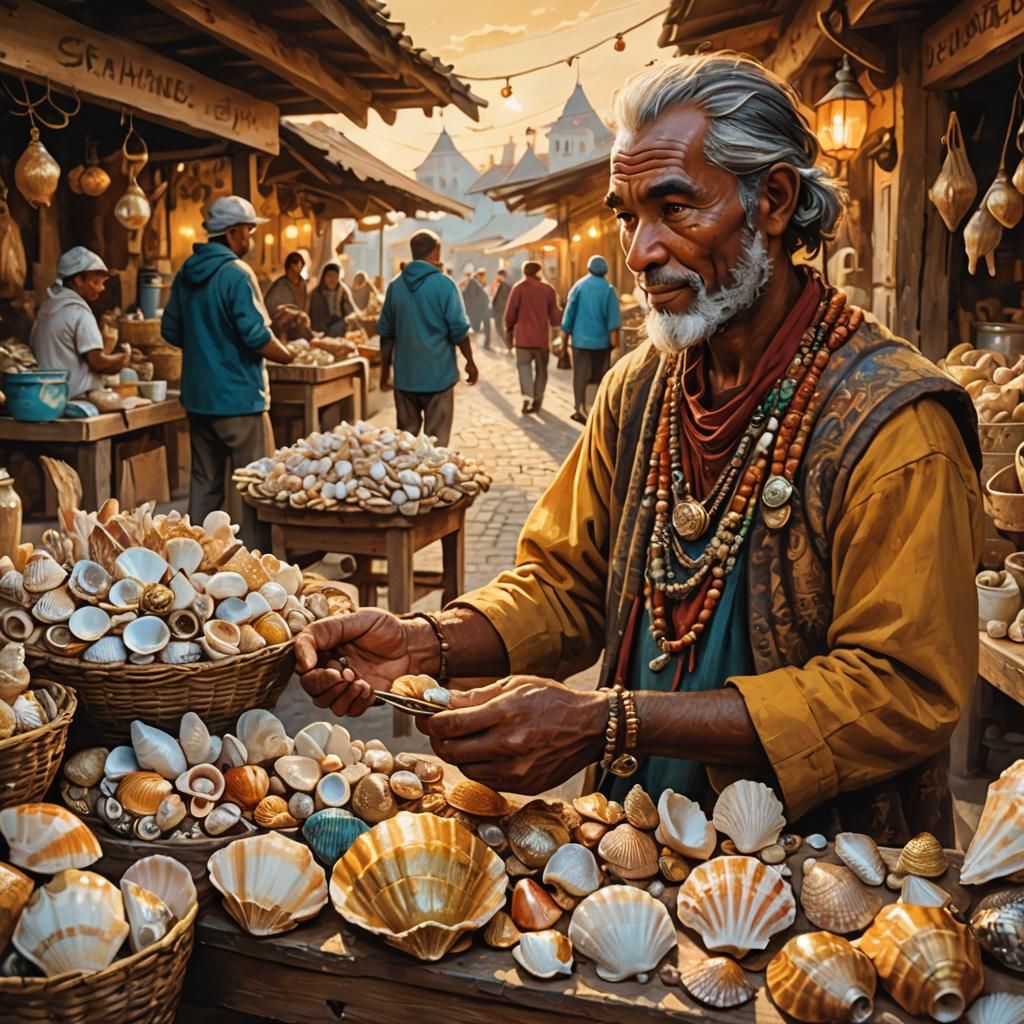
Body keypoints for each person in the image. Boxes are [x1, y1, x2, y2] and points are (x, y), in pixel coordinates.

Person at [294, 54, 983, 846]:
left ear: (775, 201)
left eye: (675, 207)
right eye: (627, 215)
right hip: (632, 835)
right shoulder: (641, 391)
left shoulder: (895, 425)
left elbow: (902, 688)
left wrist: (609, 720)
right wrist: (429, 642)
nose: (641, 250)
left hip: (826, 861)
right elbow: (567, 583)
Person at [161, 195, 294, 548]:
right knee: (255, 486)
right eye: (249, 231)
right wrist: (287, 355)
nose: (250, 238)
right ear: (233, 232)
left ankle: (194, 561)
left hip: (199, 399)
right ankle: (258, 567)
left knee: (204, 486)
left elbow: (170, 331)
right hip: (240, 400)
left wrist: (204, 344)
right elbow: (255, 335)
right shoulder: (237, 273)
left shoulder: (185, 273)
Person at [377, 230, 478, 445]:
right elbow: (459, 329)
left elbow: (386, 335)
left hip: (405, 379)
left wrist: (385, 371)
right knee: (437, 445)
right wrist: (470, 361)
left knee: (405, 444)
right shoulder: (445, 285)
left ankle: (408, 478)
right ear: (436, 251)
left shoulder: (395, 287)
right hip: (439, 377)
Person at [30, 247, 131, 398]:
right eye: (96, 282)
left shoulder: (45, 310)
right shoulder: (79, 313)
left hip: (48, 398)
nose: (102, 288)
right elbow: (98, 362)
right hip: (77, 399)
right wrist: (125, 357)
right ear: (78, 280)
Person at [562, 254, 622, 424]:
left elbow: (569, 314)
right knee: (598, 376)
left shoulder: (578, 286)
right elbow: (613, 321)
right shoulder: (609, 289)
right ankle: (593, 408)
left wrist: (565, 335)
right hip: (601, 343)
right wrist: (614, 345)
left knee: (580, 375)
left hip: (579, 342)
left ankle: (578, 409)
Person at [503, 261, 561, 414]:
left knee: (524, 368)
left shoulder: (518, 288)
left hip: (522, 339)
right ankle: (537, 400)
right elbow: (555, 316)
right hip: (541, 339)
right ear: (538, 272)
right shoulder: (548, 289)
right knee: (542, 371)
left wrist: (509, 329)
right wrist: (558, 330)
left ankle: (527, 397)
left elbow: (510, 313)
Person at [309, 264, 355, 335]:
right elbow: (314, 317)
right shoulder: (317, 294)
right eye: (329, 275)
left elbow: (350, 312)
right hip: (320, 330)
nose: (332, 279)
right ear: (324, 277)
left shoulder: (342, 292)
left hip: (339, 328)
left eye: (335, 276)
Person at [263, 251, 307, 316]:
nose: (298, 266)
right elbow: (269, 306)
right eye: (295, 263)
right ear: (289, 266)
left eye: (300, 264)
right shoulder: (280, 285)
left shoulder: (302, 284)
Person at [461, 266, 492, 350]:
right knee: (480, 328)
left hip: (481, 309)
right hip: (479, 309)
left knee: (485, 327)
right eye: (483, 275)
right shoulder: (473, 282)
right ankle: (484, 344)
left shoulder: (476, 283)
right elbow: (472, 297)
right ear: (479, 275)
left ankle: (485, 344)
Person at [491, 268, 511, 346]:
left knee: (500, 328)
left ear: (503, 276)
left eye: (499, 276)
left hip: (502, 310)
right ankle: (507, 345)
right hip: (498, 310)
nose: (497, 277)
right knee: (499, 328)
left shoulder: (506, 286)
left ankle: (508, 345)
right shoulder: (499, 285)